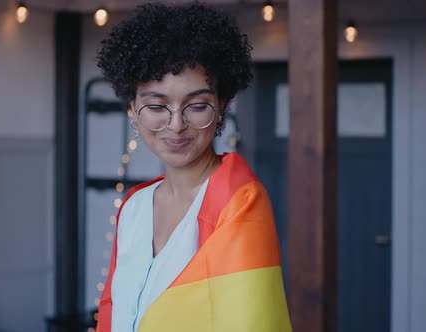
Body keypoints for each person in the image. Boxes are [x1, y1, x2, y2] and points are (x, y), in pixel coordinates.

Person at [95, 2, 291, 331]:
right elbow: (113, 312)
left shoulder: (240, 202)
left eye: (197, 105)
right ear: (133, 107)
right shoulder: (134, 206)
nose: (176, 125)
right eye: (157, 105)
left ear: (222, 105)